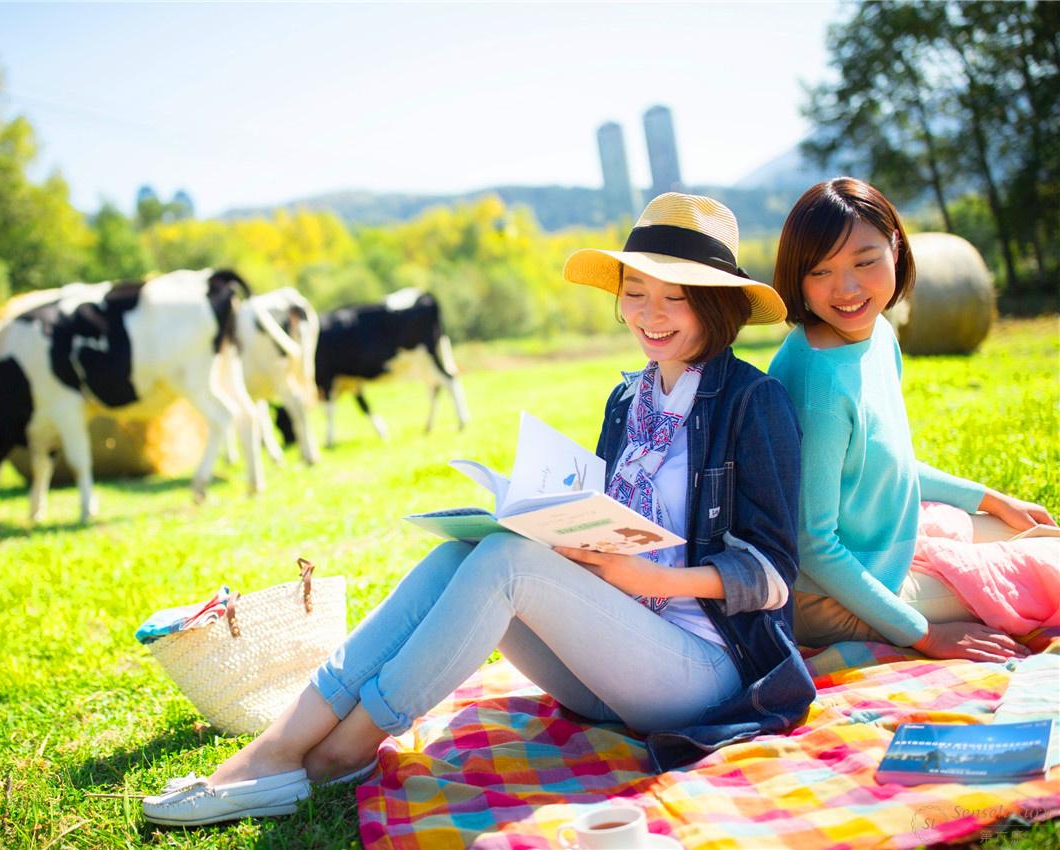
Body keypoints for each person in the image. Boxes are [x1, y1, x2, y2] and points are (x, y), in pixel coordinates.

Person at [142, 193, 815, 828]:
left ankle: (338, 754)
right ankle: (283, 743)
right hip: (609, 668)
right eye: (634, 294)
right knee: (461, 554)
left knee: (506, 563)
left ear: (716, 305)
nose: (649, 314)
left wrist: (653, 580)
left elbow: (775, 570)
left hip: (703, 672)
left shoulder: (752, 404)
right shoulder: (627, 401)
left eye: (675, 298)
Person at [767, 177, 1056, 662]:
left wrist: (993, 500)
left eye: (865, 261)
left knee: (1041, 536)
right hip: (829, 598)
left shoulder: (877, 333)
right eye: (821, 271)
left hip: (883, 548)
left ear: (896, 247)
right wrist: (924, 635)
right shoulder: (819, 381)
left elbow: (886, 464)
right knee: (1043, 570)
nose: (848, 288)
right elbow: (812, 546)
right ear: (797, 279)